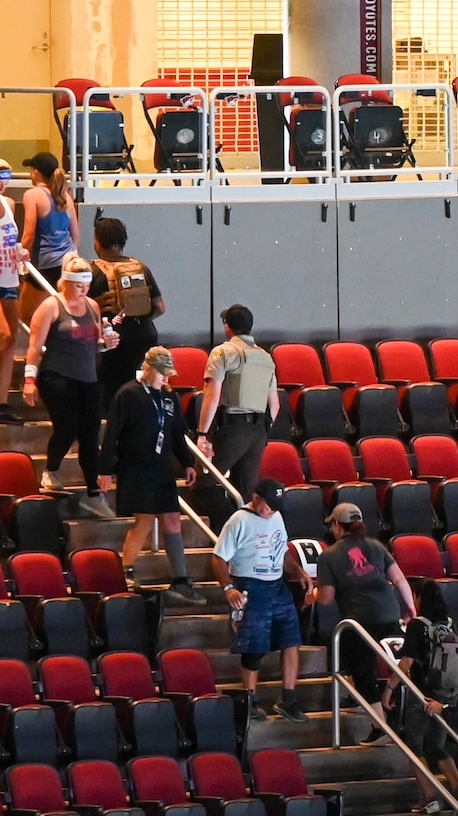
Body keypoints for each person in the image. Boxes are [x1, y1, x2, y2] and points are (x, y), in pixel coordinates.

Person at [310, 502, 417, 744]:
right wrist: (410, 609)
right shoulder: (376, 546)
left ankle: (380, 727)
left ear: (337, 525)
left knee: (362, 669)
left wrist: (311, 596)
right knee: (393, 661)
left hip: (359, 620)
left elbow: (325, 598)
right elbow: (399, 580)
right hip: (389, 613)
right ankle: (374, 702)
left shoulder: (329, 556)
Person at [97, 347, 198, 602]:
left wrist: (188, 462)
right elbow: (112, 435)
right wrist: (106, 469)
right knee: (143, 520)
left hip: (161, 467)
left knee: (173, 519)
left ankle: (180, 578)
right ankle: (126, 569)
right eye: (163, 374)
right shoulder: (128, 394)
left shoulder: (168, 398)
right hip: (136, 466)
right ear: (149, 369)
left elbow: (176, 434)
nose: (167, 379)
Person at [22, 252, 115, 515]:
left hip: (87, 378)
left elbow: (94, 344)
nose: (83, 290)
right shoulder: (51, 306)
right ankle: (51, 471)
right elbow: (34, 345)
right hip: (57, 375)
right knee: (67, 428)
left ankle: (94, 494)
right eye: (78, 285)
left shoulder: (93, 307)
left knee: (90, 434)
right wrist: (29, 379)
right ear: (66, 283)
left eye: (86, 285)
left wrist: (106, 345)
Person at [212, 478, 307, 723]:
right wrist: (229, 588)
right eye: (268, 505)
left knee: (291, 639)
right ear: (255, 498)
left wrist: (297, 571)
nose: (271, 510)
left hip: (276, 583)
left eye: (276, 506)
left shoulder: (276, 517)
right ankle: (249, 699)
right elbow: (218, 558)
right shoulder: (238, 521)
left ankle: (288, 698)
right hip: (250, 584)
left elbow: (282, 549)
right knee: (254, 645)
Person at [196, 303, 280, 520]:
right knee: (244, 491)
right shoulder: (266, 357)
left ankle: (229, 529)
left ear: (228, 327)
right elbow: (275, 405)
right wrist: (261, 430)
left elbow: (212, 395)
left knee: (201, 484)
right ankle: (242, 538)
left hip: (233, 427)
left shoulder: (223, 352)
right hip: (259, 430)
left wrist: (203, 434)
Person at [396, 578, 458, 815]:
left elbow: (406, 662)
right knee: (436, 746)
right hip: (448, 695)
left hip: (423, 695)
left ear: (419, 598)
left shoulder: (418, 625)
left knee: (413, 748)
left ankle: (429, 796)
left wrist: (388, 689)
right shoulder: (449, 623)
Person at [86, 216, 164, 403]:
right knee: (142, 390)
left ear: (97, 240)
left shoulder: (93, 271)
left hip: (113, 341)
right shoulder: (140, 267)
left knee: (112, 393)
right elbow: (160, 307)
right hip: (145, 336)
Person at [19, 152, 78, 282]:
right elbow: (75, 235)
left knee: (27, 302)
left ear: (35, 171)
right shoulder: (66, 196)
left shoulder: (32, 195)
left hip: (45, 263)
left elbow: (29, 235)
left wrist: (21, 255)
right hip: (70, 261)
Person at [0, 169, 23, 422]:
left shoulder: (8, 204)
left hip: (8, 277)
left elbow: (10, 240)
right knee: (3, 334)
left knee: (11, 341)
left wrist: (20, 252)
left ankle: (2, 403)